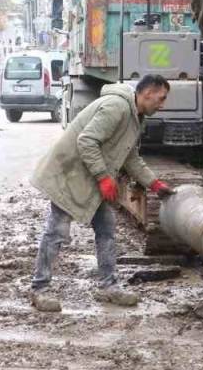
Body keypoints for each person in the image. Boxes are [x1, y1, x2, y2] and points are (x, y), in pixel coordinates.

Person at [29, 75, 175, 309]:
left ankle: (109, 287)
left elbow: (130, 157)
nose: (163, 105)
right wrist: (104, 177)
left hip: (90, 179)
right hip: (69, 174)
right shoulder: (117, 107)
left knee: (106, 229)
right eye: (161, 98)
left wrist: (154, 184)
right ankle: (39, 289)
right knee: (57, 232)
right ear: (148, 93)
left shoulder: (135, 117)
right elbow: (87, 141)